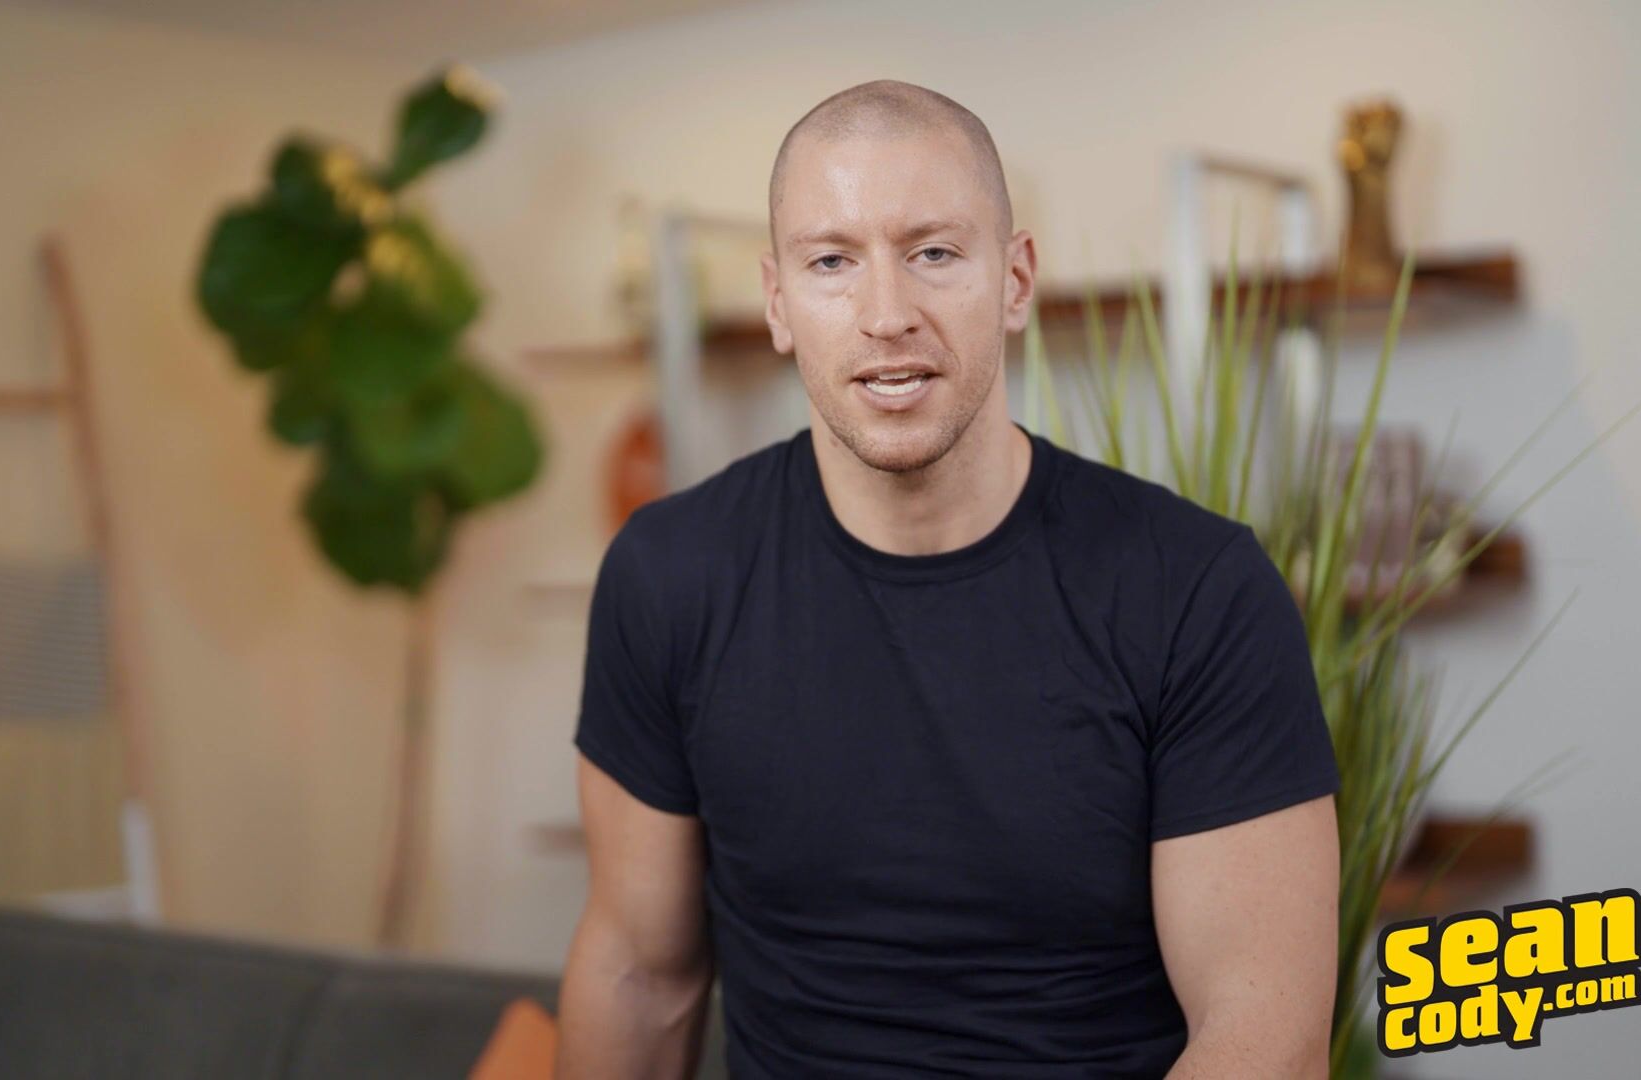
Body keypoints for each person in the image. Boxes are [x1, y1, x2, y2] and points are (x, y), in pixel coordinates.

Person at [555, 79, 1341, 1079]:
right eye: (832, 261)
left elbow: (1263, 1039)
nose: (888, 315)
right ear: (778, 302)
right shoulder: (670, 574)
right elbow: (638, 973)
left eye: (933, 253)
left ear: (1015, 281)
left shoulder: (1197, 590)